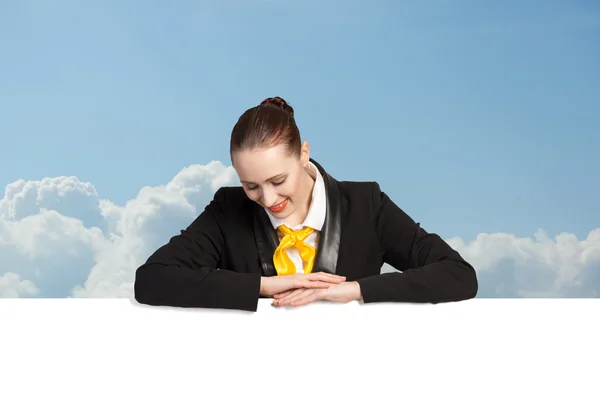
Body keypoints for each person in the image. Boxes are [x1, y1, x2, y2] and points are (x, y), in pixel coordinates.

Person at [134, 96, 478, 311]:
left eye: (278, 181)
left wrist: (355, 290)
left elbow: (458, 275)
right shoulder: (228, 209)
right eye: (250, 186)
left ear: (303, 154)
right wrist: (262, 286)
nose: (267, 200)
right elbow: (151, 280)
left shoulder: (365, 204)